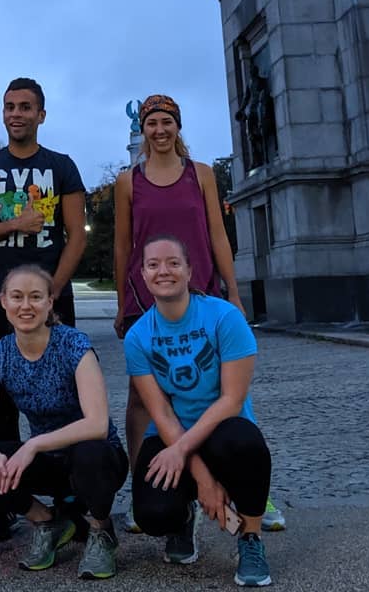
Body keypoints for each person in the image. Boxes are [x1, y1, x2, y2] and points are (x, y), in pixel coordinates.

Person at [0, 265, 128, 579]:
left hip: (96, 460)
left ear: (50, 302)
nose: (26, 306)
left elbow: (97, 423)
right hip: (49, 462)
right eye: (17, 297)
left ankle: (101, 529)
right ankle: (45, 520)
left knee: (91, 451)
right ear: (3, 301)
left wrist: (33, 444)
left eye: (36, 297)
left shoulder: (74, 345)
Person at [125, 236, 273, 587]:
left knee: (245, 444)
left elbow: (231, 400)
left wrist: (181, 450)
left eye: (174, 263)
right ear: (143, 275)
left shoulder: (224, 317)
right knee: (152, 514)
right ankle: (182, 517)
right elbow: (160, 413)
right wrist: (203, 480)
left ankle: (250, 537)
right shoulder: (137, 337)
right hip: (171, 433)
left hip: (223, 429)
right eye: (153, 265)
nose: (164, 271)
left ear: (190, 271)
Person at [113, 94, 243, 472]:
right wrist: (123, 302)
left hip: (200, 290)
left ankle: (235, 474)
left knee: (220, 387)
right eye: (152, 123)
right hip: (146, 296)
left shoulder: (200, 174)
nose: (159, 130)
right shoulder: (128, 181)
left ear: (177, 126)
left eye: (166, 122)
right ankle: (142, 479)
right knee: (142, 394)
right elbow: (123, 246)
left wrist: (232, 291)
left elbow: (217, 234)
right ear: (143, 129)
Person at [0, 78, 87, 448]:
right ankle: (7, 483)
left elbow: (77, 235)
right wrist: (16, 224)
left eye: (25, 107)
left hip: (52, 294)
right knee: (1, 391)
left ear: (41, 115)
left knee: (64, 387)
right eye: (10, 107)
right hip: (2, 298)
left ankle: (67, 484)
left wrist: (55, 291)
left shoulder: (61, 167)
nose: (16, 114)